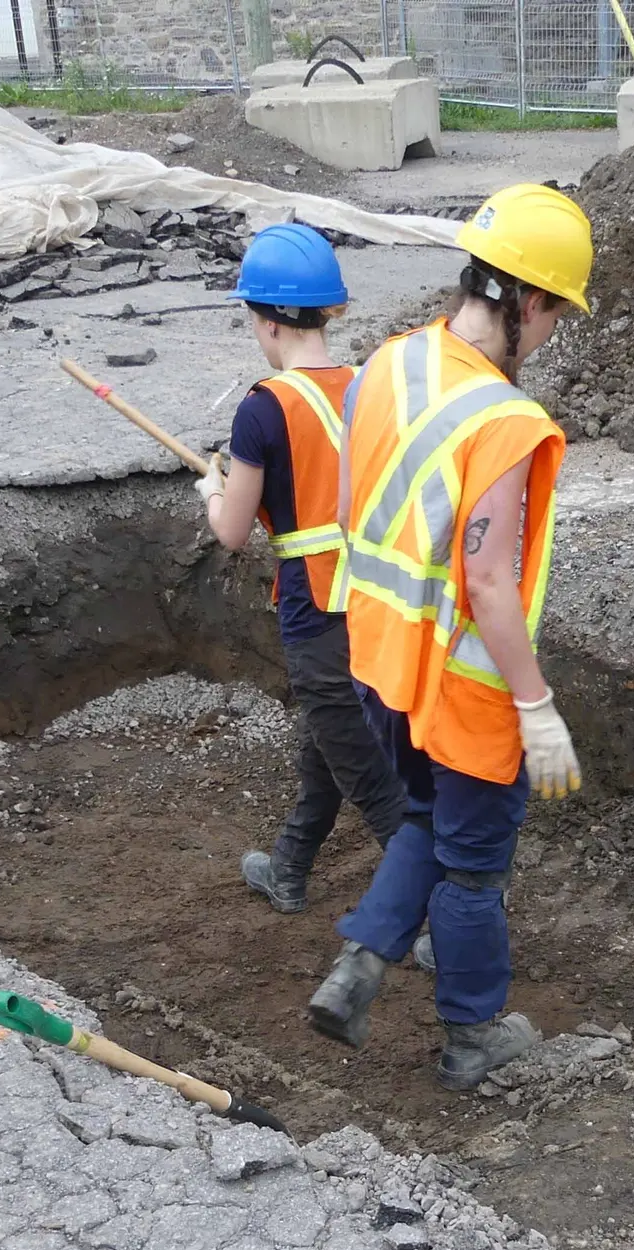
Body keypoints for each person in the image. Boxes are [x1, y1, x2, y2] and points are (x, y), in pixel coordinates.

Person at [305, 182, 592, 1092]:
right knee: (472, 867)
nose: (549, 336)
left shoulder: (389, 363)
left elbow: (352, 508)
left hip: (378, 661)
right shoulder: (504, 420)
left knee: (428, 818)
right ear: (530, 300)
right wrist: (536, 706)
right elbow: (488, 582)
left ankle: (360, 963)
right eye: (556, 315)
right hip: (464, 686)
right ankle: (473, 1037)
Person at [198, 222, 410, 918]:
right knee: (328, 739)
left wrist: (212, 490)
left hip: (316, 611)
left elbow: (232, 532)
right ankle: (288, 868)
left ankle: (440, 922)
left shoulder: (263, 408)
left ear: (266, 321)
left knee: (369, 777)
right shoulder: (365, 386)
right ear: (326, 311)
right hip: (380, 598)